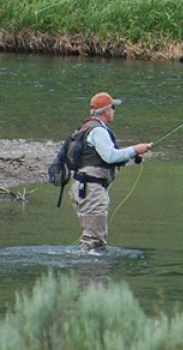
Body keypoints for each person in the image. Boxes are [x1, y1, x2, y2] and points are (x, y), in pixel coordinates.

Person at [71, 91, 152, 254]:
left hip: (83, 187)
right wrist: (135, 148)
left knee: (91, 238)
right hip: (91, 189)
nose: (114, 111)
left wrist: (134, 154)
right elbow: (110, 156)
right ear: (106, 110)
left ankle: (86, 269)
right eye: (113, 107)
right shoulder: (98, 131)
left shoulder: (89, 127)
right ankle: (90, 273)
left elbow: (102, 158)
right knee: (95, 240)